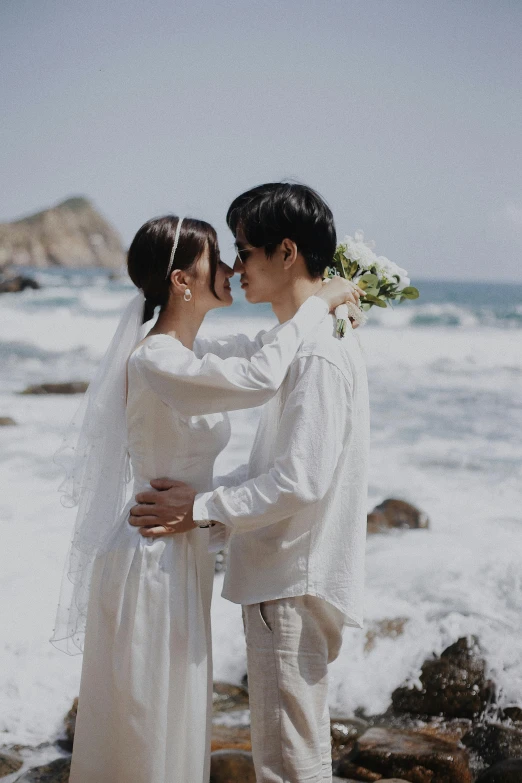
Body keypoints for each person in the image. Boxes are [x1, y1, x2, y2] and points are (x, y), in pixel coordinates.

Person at [51, 211, 362, 783]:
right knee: (146, 721)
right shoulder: (157, 358)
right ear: (181, 281)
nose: (229, 267)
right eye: (214, 257)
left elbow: (274, 344)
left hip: (180, 547)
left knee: (174, 715)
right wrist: (321, 302)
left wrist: (328, 303)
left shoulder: (190, 352)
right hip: (150, 553)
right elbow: (265, 374)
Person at [130, 183, 371, 783]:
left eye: (244, 250)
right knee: (289, 755)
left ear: (286, 253)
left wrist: (203, 509)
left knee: (291, 765)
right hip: (286, 574)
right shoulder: (307, 343)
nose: (236, 267)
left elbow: (298, 481)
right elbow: (279, 459)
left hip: (290, 577)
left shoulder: (316, 354)